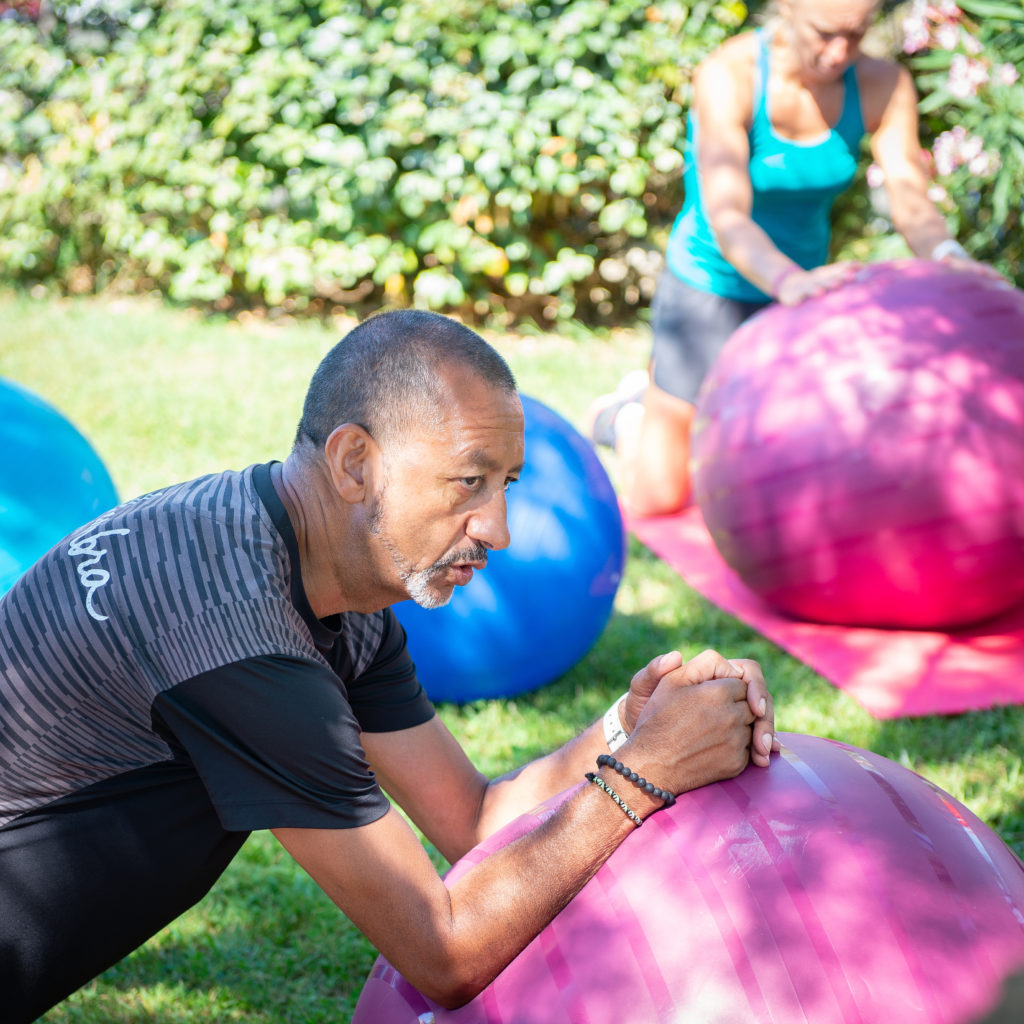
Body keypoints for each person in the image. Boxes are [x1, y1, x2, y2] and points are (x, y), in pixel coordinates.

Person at [0, 309, 777, 1022]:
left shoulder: (317, 577)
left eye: (506, 485)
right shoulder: (240, 640)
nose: (498, 529)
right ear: (354, 463)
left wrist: (626, 730)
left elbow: (473, 822)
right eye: (469, 481)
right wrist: (646, 772)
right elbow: (443, 953)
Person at [591, 0, 1000, 517]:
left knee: (784, 484)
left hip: (801, 292)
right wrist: (784, 280)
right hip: (711, 286)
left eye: (857, 35)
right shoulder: (730, 75)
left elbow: (907, 190)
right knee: (658, 501)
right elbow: (728, 214)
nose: (839, 52)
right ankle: (626, 413)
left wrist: (947, 255)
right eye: (826, 33)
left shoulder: (881, 83)